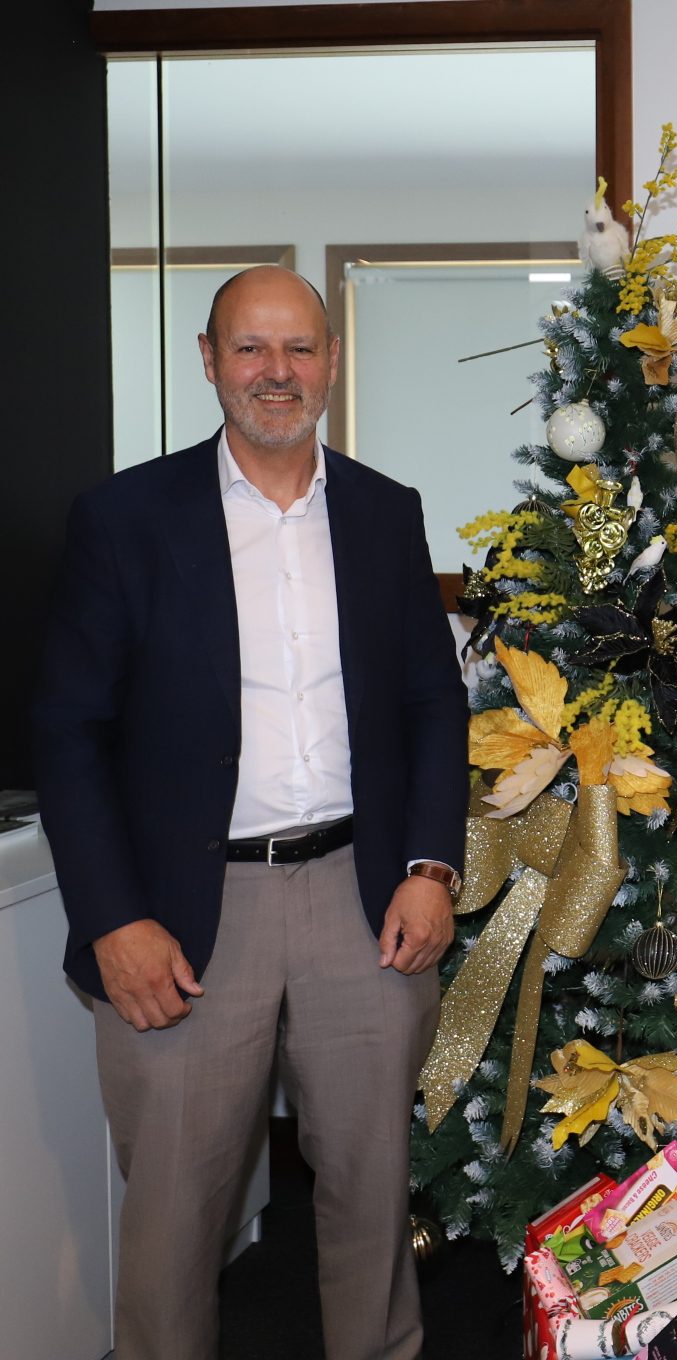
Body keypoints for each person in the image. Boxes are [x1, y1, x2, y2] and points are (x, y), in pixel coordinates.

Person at [33, 265, 468, 1360]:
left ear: (330, 361)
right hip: (181, 915)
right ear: (209, 358)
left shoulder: (383, 510)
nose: (277, 372)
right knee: (175, 1215)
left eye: (299, 349)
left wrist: (430, 863)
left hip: (361, 902)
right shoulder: (124, 519)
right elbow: (67, 731)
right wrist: (111, 918)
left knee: (371, 1198)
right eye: (250, 348)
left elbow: (430, 702)